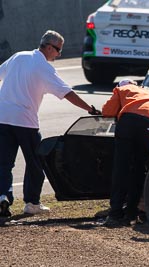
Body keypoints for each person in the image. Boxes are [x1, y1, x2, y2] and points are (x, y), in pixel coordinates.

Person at [0, 30, 101, 217]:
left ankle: (2, 197)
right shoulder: (43, 67)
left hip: (2, 118)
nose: (59, 54)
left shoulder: (18, 56)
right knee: (35, 162)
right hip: (25, 121)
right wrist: (89, 109)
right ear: (48, 47)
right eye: (57, 50)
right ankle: (32, 203)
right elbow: (67, 93)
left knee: (3, 163)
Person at [101, 79, 149, 226]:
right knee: (139, 169)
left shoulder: (120, 90)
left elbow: (107, 111)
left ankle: (115, 214)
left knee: (121, 168)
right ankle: (132, 213)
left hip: (127, 124)